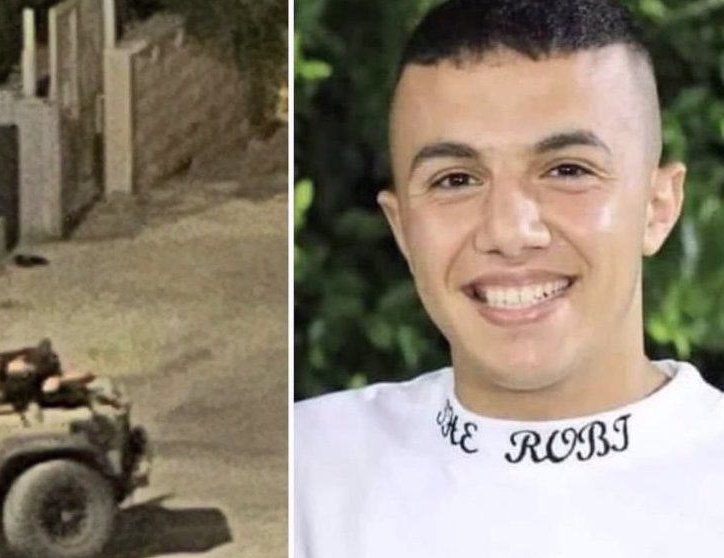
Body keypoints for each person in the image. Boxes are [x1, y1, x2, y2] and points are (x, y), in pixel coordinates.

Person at [294, 1, 724, 556]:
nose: (509, 231)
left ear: (657, 207)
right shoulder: (307, 472)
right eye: (455, 179)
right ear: (403, 231)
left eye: (568, 170)